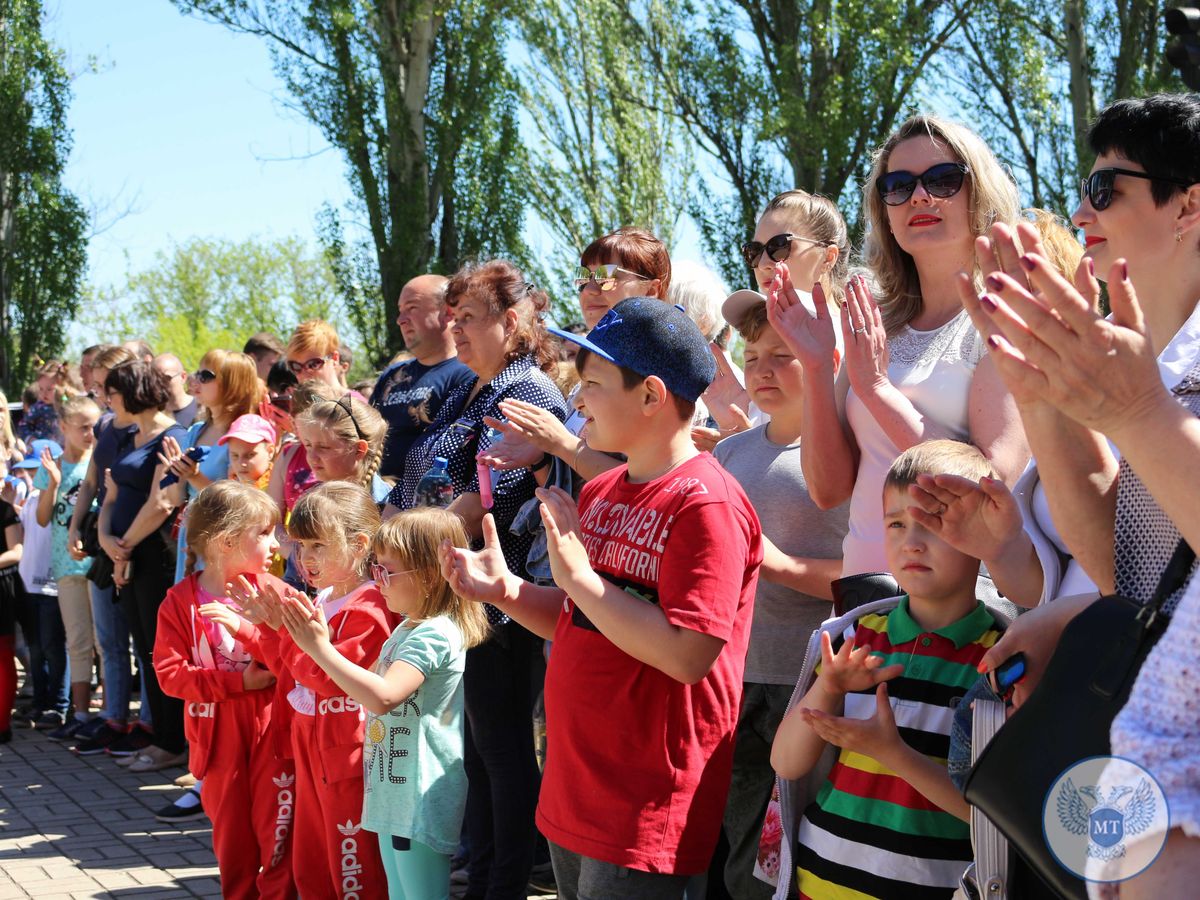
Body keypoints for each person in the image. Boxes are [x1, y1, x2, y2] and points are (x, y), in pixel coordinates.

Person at [443, 298, 763, 898]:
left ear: (651, 396)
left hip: (641, 798)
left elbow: (689, 654)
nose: (577, 399)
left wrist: (580, 581)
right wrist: (508, 590)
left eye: (592, 383)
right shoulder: (607, 488)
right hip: (576, 785)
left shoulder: (706, 503)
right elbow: (579, 620)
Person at [768, 116, 1029, 578]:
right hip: (862, 598)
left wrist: (876, 389)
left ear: (980, 194)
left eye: (944, 180)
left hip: (958, 614)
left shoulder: (1005, 317)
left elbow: (994, 484)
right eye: (899, 186)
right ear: (884, 210)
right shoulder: (875, 324)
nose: (921, 197)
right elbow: (828, 491)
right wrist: (813, 367)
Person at [387, 259, 567, 900]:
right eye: (454, 317)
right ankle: (488, 871)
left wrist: (405, 540)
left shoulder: (527, 392)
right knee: (482, 748)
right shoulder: (476, 387)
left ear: (511, 322)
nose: (456, 331)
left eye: (469, 318)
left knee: (501, 748)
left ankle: (504, 883)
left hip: (504, 595)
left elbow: (492, 496)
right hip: (463, 594)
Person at [771, 440, 1005, 898]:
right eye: (896, 524)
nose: (911, 542)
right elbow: (785, 764)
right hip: (819, 883)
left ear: (982, 533)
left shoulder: (1001, 659)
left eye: (933, 525)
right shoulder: (853, 636)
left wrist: (894, 753)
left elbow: (992, 815)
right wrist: (829, 690)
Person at [711, 292, 849, 898]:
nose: (761, 370)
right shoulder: (727, 454)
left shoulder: (843, 456)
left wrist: (783, 564)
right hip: (733, 677)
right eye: (751, 355)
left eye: (781, 355)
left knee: (808, 841)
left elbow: (872, 573)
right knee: (745, 848)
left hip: (813, 675)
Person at [279, 508, 489, 900]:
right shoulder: (408, 625)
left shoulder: (434, 634)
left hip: (418, 797)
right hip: (395, 794)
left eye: (386, 572)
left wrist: (319, 647)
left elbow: (383, 695)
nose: (378, 581)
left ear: (428, 574)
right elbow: (359, 687)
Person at [223, 482, 393, 898]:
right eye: (300, 546)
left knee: (351, 865)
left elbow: (325, 674)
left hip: (345, 752)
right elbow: (289, 669)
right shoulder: (325, 597)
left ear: (359, 544)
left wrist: (287, 633)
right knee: (312, 863)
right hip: (311, 744)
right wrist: (266, 628)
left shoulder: (371, 606)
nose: (306, 558)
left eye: (318, 544)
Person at [154, 481, 294, 899]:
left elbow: (294, 661)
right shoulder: (180, 602)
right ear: (228, 541)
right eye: (265, 533)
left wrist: (249, 633)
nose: (276, 543)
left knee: (279, 833)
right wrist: (238, 683)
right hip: (217, 741)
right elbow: (170, 674)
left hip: (275, 734)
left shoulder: (278, 593)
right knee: (232, 840)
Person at [479, 228, 669, 483]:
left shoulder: (663, 373)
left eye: (607, 276)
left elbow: (647, 485)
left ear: (652, 290)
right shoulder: (588, 377)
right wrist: (540, 457)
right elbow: (569, 485)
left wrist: (560, 443)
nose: (589, 289)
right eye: (583, 277)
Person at [98, 360, 189, 772]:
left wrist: (125, 547)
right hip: (127, 555)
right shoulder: (129, 435)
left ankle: (174, 743)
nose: (105, 399)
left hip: (154, 556)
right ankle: (161, 738)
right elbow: (110, 494)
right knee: (143, 649)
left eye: (112, 392)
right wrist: (110, 544)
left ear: (133, 392)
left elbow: (164, 502)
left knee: (159, 650)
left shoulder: (174, 436)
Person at [68, 346, 142, 757]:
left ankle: (147, 722)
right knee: (109, 640)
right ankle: (115, 717)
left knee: (144, 644)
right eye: (96, 387)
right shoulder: (106, 428)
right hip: (105, 541)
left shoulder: (151, 428)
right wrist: (77, 526)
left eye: (105, 386)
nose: (100, 394)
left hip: (138, 547)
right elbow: (93, 485)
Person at [159, 349, 266, 582]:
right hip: (192, 539)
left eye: (206, 376)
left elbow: (238, 502)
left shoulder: (244, 437)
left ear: (232, 384)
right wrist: (176, 474)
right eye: (197, 373)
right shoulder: (195, 431)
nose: (196, 381)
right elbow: (177, 499)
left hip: (224, 546)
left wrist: (194, 476)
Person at [35, 395, 103, 741]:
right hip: (66, 568)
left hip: (99, 566)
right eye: (83, 427)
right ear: (63, 427)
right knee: (77, 641)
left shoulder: (100, 462)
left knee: (105, 643)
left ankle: (110, 714)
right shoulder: (54, 465)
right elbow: (43, 518)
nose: (91, 433)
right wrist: (52, 482)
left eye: (94, 425)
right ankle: (79, 713)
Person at [370, 274, 473, 479]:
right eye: (400, 311)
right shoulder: (392, 374)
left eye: (412, 308)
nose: (400, 320)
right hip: (375, 498)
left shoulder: (467, 374)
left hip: (427, 501)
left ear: (447, 313)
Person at [11, 443, 67, 729]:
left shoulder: (55, 497)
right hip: (27, 585)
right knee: (36, 648)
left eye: (36, 470)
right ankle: (40, 703)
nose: (29, 477)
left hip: (50, 585)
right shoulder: (31, 499)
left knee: (53, 647)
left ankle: (58, 706)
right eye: (26, 471)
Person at [294, 393, 389, 503]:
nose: (312, 457)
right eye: (308, 445)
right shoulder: (312, 502)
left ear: (359, 449)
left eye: (323, 447)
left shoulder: (387, 506)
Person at [285, 320, 356, 394]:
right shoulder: (304, 403)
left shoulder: (353, 404)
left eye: (313, 364)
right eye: (296, 366)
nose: (304, 374)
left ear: (334, 359)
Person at [221, 414, 277, 489]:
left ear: (270, 451)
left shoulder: (278, 485)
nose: (241, 463)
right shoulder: (231, 486)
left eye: (250, 455)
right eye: (235, 455)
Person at [153, 353, 199, 428]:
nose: (160, 383)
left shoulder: (202, 410)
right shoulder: (152, 415)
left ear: (183, 377)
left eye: (166, 378)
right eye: (155, 379)